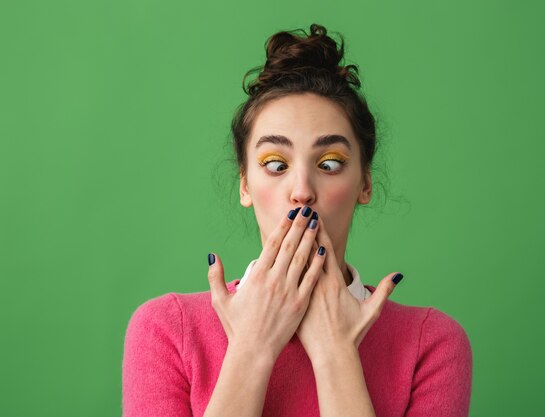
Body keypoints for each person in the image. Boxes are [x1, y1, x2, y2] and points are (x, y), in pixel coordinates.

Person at [122, 23, 473, 417]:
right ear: (245, 185)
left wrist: (334, 353)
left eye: (329, 164)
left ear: (365, 183)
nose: (302, 190)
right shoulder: (167, 329)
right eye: (275, 165)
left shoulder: (431, 343)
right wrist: (252, 347)